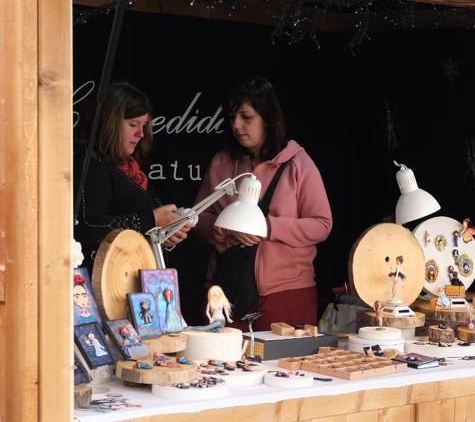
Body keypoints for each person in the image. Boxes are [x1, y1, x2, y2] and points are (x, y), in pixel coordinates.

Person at [196, 76, 332, 329]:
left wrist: (268, 228)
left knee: (286, 368)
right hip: (227, 291)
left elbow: (322, 225)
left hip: (286, 292)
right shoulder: (222, 163)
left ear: (267, 119)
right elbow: (198, 219)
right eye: (233, 117)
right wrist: (225, 228)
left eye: (246, 117)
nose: (237, 125)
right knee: (222, 366)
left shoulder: (298, 164)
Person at [74, 83, 191, 262]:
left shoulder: (129, 168)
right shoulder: (91, 164)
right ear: (109, 124)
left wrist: (166, 233)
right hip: (106, 279)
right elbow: (88, 226)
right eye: (133, 124)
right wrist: (152, 220)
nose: (141, 134)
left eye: (144, 125)